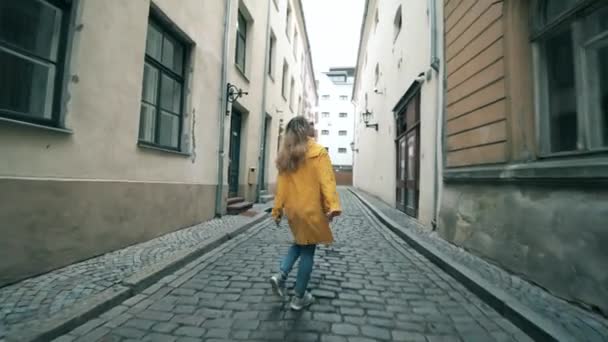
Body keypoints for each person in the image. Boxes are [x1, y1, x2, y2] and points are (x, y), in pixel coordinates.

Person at [270, 116, 341, 311]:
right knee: (308, 249)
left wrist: (277, 211)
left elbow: (281, 188)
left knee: (300, 243)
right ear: (306, 130)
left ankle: (281, 276)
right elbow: (327, 181)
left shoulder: (286, 155)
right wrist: (332, 206)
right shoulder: (318, 152)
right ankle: (299, 297)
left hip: (293, 211)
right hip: (311, 210)